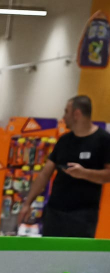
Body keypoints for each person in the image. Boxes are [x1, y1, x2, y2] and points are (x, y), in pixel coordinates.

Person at [18, 95, 110, 238]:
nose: (63, 117)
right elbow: (44, 174)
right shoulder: (64, 140)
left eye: (66, 111)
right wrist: (27, 203)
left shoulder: (103, 139)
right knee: (50, 251)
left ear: (77, 114)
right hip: (55, 213)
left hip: (83, 216)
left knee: (76, 252)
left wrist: (84, 173)